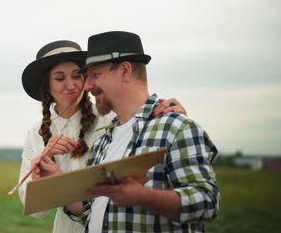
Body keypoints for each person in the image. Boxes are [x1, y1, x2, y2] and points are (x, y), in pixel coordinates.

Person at [33, 31, 220, 233]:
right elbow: (89, 211)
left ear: (124, 71)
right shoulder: (103, 141)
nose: (86, 86)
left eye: (95, 75)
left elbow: (207, 202)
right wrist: (56, 180)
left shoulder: (175, 127)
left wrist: (141, 196)